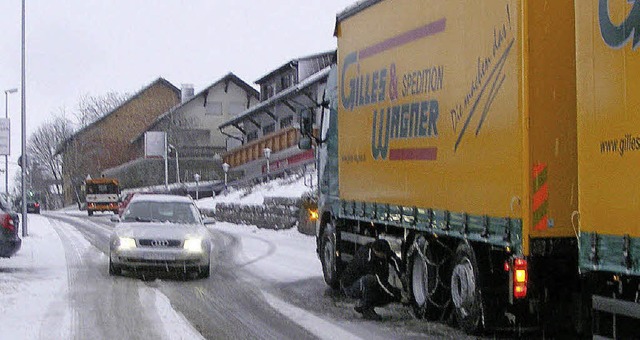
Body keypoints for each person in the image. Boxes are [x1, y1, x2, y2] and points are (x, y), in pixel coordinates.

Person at [340, 238, 405, 320]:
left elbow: (394, 259)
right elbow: (380, 281)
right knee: (369, 280)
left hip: (364, 285)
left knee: (388, 297)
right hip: (350, 286)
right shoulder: (367, 258)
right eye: (383, 254)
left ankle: (362, 304)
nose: (385, 256)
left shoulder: (382, 250)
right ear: (376, 251)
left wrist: (402, 275)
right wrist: (399, 295)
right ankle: (366, 309)